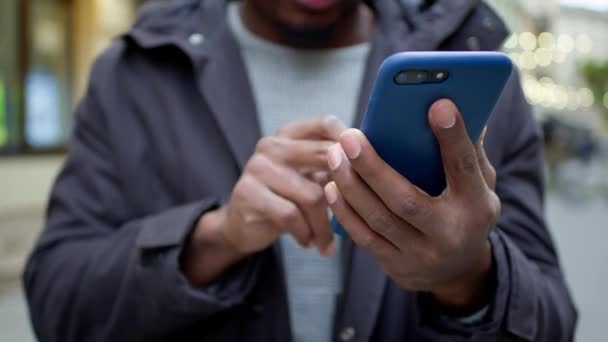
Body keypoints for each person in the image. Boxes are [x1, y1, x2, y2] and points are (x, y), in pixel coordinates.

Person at [23, 0, 577, 341]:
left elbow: (554, 322)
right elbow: (57, 309)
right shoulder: (136, 72)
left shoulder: (470, 67)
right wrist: (217, 237)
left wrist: (466, 276)